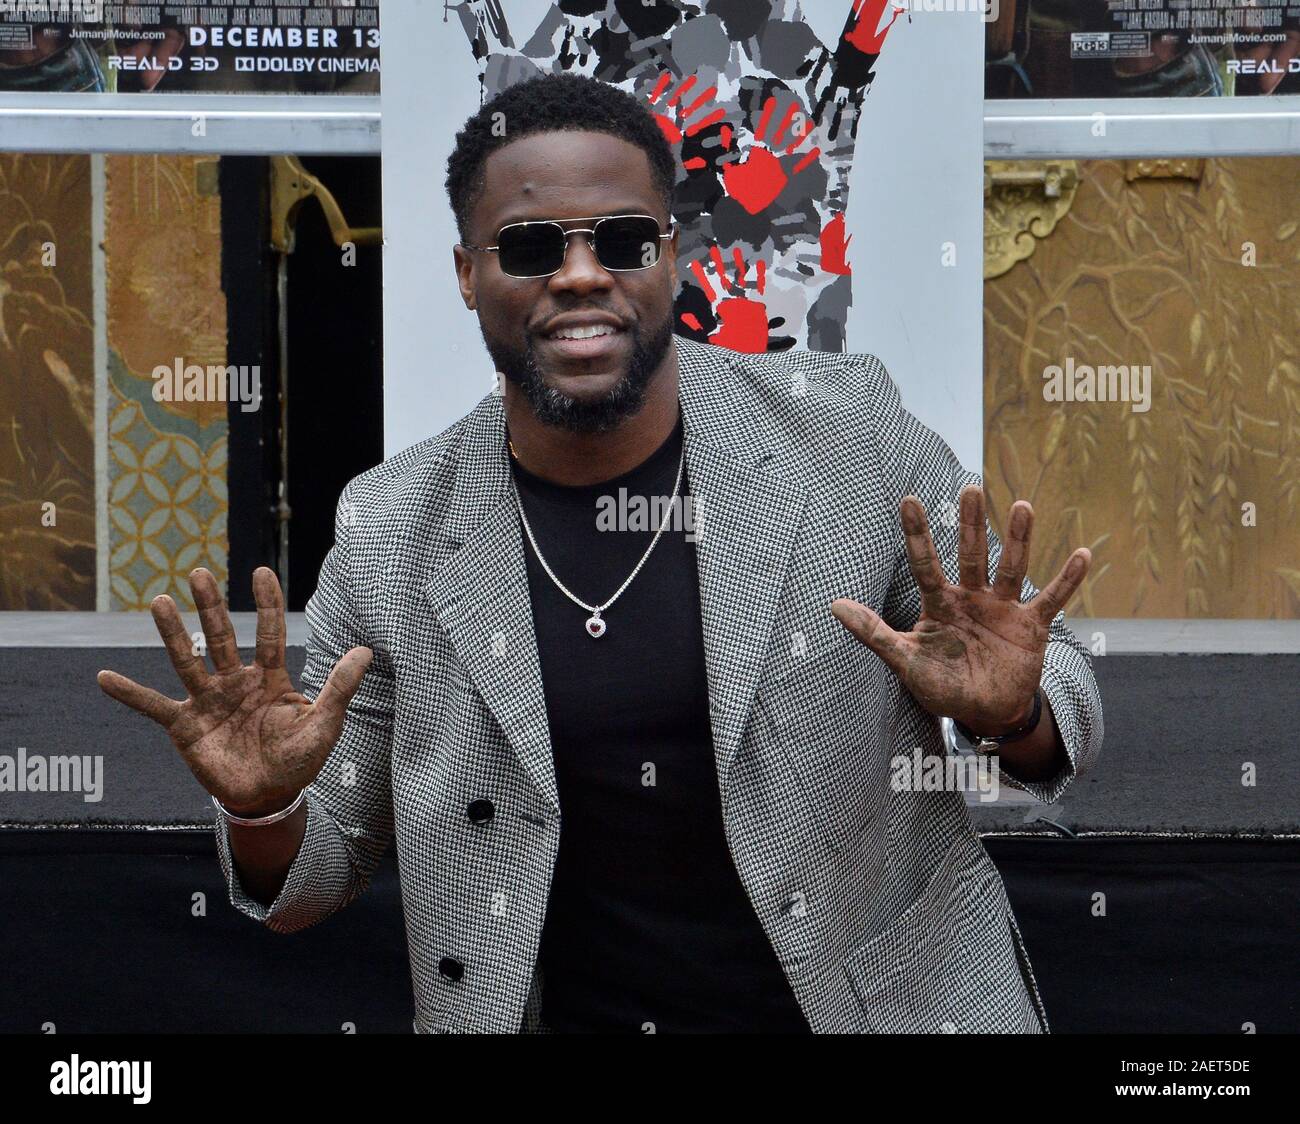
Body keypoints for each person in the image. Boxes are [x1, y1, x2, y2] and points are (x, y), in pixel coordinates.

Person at [98, 73, 1103, 1034]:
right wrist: (264, 801)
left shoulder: (844, 433)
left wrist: (1015, 707)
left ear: (672, 255)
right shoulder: (392, 531)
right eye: (530, 246)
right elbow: (317, 874)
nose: (581, 273)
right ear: (465, 272)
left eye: (620, 239)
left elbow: (1063, 701)